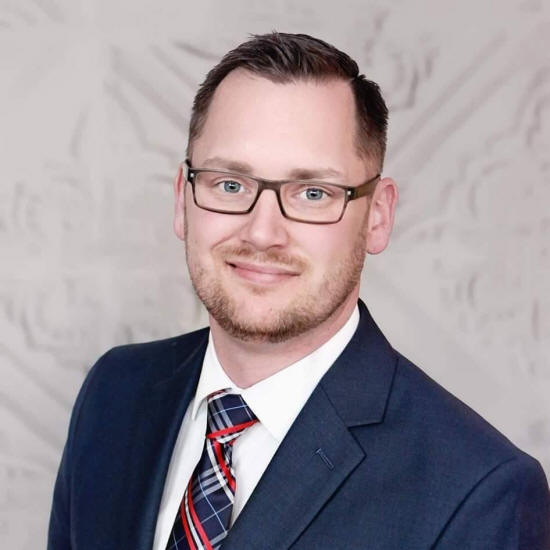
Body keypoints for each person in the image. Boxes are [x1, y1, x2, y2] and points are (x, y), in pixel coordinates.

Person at [48, 32, 550, 550]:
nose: (262, 233)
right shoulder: (114, 394)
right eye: (229, 184)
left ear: (377, 217)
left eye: (313, 193)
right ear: (183, 199)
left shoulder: (479, 493)